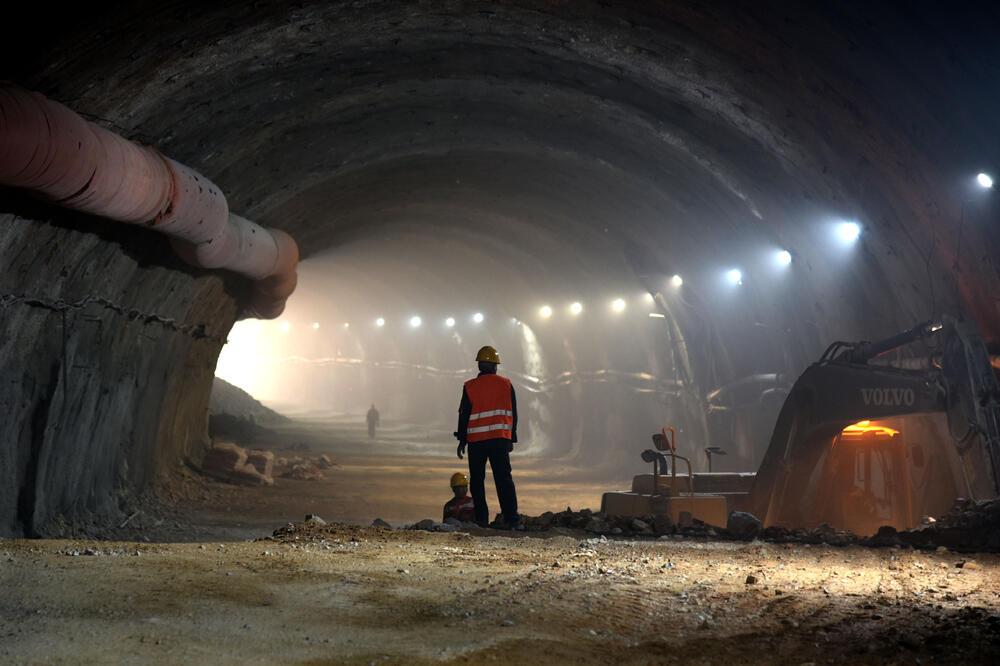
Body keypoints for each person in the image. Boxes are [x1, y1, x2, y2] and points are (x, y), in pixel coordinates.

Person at [455, 345, 522, 529]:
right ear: (495, 366)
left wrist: (462, 440)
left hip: (476, 441)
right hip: (499, 439)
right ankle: (512, 519)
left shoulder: (470, 386)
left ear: (479, 365)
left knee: (477, 481)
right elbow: (513, 413)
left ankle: (481, 520)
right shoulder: (506, 384)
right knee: (504, 479)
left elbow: (464, 415)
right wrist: (511, 438)